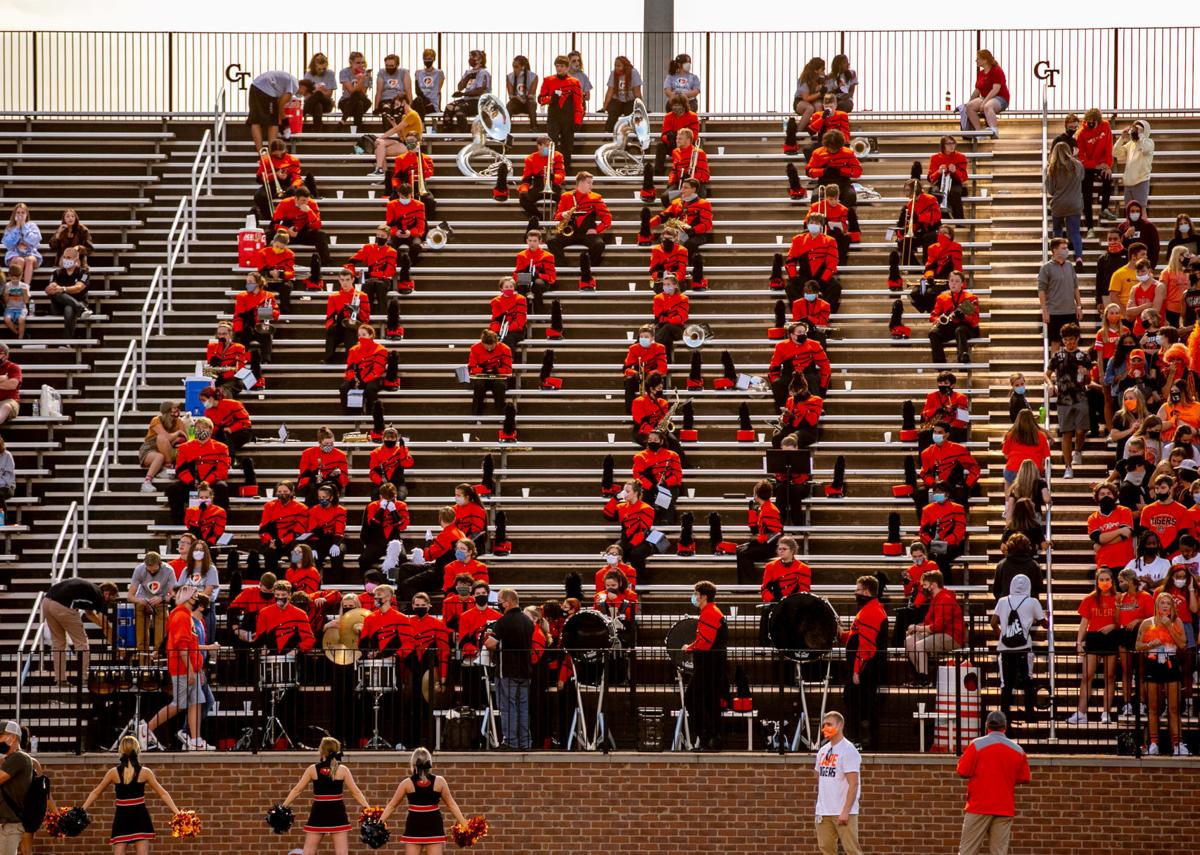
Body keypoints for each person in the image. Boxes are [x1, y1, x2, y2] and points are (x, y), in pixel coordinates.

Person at [144, 586, 217, 751]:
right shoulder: (181, 616)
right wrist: (192, 671)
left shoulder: (185, 615)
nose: (197, 597)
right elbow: (182, 647)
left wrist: (197, 670)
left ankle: (195, 739)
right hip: (183, 668)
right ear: (188, 598)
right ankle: (146, 729)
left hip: (190, 667)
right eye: (195, 595)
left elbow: (189, 646)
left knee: (196, 702)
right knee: (179, 704)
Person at [79, 735, 180, 853]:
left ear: (120, 751)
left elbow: (96, 792)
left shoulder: (113, 773)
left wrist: (81, 810)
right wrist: (178, 813)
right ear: (138, 750)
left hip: (122, 817)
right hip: (140, 817)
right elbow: (163, 793)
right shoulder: (145, 772)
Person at [955, 710, 1031, 855]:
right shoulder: (1018, 750)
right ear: (1005, 727)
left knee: (967, 851)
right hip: (1004, 806)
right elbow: (1024, 778)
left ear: (986, 726)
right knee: (999, 852)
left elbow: (963, 771)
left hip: (979, 806)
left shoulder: (977, 745)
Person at [279, 738, 371, 852]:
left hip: (319, 812)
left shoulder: (312, 769)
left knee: (308, 852)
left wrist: (283, 806)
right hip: (337, 813)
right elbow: (356, 792)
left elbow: (297, 790)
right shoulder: (342, 770)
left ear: (321, 751)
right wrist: (369, 810)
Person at [379, 748, 469, 854]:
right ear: (429, 763)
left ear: (413, 763)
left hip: (415, 824)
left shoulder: (406, 783)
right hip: (433, 824)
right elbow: (451, 804)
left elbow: (392, 806)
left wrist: (379, 823)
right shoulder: (440, 782)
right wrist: (464, 823)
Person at [40, 577, 117, 688]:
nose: (110, 600)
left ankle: (60, 680)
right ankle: (83, 679)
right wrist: (110, 632)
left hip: (47, 602)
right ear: (106, 593)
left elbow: (89, 614)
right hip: (64, 605)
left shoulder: (89, 591)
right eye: (112, 597)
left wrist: (105, 627)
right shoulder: (98, 596)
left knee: (58, 643)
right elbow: (103, 620)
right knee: (82, 643)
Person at [991, 574, 1046, 727]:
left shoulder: (1002, 601)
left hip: (1005, 649)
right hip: (1024, 648)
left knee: (1006, 685)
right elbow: (1044, 624)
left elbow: (993, 622)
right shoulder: (1032, 602)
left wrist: (1002, 635)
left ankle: (1004, 719)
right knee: (1027, 681)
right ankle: (1029, 714)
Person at [483, 588, 535, 750]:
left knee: (508, 707)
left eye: (500, 600)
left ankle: (511, 742)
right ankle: (525, 742)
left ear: (508, 602)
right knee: (523, 708)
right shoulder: (528, 621)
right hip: (525, 671)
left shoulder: (504, 621)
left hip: (507, 671)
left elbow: (490, 643)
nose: (498, 603)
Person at [1137, 592, 1188, 754]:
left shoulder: (1177, 622)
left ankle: (1177, 744)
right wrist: (1149, 645)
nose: (1165, 606)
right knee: (1153, 707)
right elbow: (1137, 645)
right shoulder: (1147, 623)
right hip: (1153, 663)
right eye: (1162, 603)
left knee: (1173, 707)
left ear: (1172, 607)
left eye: (1168, 603)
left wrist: (1169, 627)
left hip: (1170, 662)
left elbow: (1182, 644)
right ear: (1156, 606)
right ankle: (1154, 743)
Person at [1067, 567, 1118, 725]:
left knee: (1109, 677)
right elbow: (1084, 623)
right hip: (1094, 637)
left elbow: (1123, 620)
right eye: (1101, 580)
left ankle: (1106, 713)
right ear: (1097, 581)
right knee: (1087, 676)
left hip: (1111, 638)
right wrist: (1079, 642)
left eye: (1107, 579)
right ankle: (1081, 712)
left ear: (1112, 581)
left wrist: (1113, 626)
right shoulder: (1090, 598)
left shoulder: (1119, 598)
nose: (1104, 583)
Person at [842, 575, 887, 749]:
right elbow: (857, 636)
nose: (855, 593)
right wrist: (842, 634)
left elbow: (867, 646)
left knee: (859, 704)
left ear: (867, 591)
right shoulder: (870, 609)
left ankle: (859, 741)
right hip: (865, 666)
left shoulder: (870, 611)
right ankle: (860, 740)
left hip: (865, 668)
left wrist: (856, 671)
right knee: (860, 703)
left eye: (858, 590)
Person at [683, 581, 726, 750]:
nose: (694, 597)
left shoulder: (709, 613)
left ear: (703, 596)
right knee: (708, 701)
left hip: (708, 664)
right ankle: (711, 738)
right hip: (712, 664)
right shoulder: (711, 612)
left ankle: (707, 735)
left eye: (695, 594)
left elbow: (705, 643)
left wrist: (689, 648)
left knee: (691, 698)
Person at [813, 711, 862, 855]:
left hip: (843, 812)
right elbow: (818, 774)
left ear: (840, 725)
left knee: (852, 850)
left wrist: (845, 811)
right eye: (824, 725)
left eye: (829, 724)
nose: (825, 728)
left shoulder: (848, 750)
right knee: (826, 850)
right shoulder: (822, 750)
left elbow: (853, 784)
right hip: (823, 812)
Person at [904, 569, 964, 685]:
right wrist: (916, 629)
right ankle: (920, 676)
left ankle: (924, 678)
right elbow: (929, 623)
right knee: (909, 641)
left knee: (920, 645)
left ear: (934, 585)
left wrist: (918, 628)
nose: (923, 588)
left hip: (952, 636)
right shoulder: (935, 599)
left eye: (925, 585)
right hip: (941, 634)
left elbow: (938, 626)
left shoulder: (945, 599)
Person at [166, 417, 229, 525]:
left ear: (210, 430)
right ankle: (179, 522)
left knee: (222, 487)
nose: (200, 430)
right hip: (191, 483)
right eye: (198, 427)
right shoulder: (184, 447)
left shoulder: (222, 447)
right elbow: (180, 469)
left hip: (211, 484)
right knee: (173, 489)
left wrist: (207, 482)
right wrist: (191, 481)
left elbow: (222, 470)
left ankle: (220, 521)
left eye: (204, 427)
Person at [548, 171, 611, 266]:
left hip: (587, 234)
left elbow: (607, 218)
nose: (591, 186)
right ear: (580, 182)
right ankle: (563, 267)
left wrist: (597, 230)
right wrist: (563, 214)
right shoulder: (566, 196)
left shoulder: (595, 197)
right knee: (551, 241)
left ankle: (588, 267)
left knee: (599, 244)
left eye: (591, 183)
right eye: (589, 183)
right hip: (569, 232)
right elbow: (557, 217)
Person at [254, 139, 318, 224]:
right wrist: (275, 175)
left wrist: (293, 186)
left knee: (294, 194)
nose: (279, 155)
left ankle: (291, 219)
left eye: (281, 152)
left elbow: (297, 177)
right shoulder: (266, 160)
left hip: (288, 185)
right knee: (259, 195)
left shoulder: (293, 160)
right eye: (276, 154)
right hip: (272, 185)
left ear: (285, 150)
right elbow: (259, 179)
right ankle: (269, 218)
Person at [538, 56, 583, 172]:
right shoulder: (548, 80)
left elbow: (578, 104)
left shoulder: (574, 82)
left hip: (568, 118)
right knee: (551, 143)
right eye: (557, 66)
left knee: (567, 146)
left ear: (567, 67)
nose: (559, 68)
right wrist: (551, 99)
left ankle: (565, 170)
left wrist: (577, 121)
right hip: (553, 117)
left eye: (562, 66)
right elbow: (540, 99)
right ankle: (550, 169)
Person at [1038, 240, 1083, 353]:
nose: (1066, 250)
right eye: (1063, 248)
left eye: (1066, 248)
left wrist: (1079, 306)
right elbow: (1041, 290)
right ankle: (1057, 369)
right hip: (1054, 312)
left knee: (1074, 341)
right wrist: (1044, 311)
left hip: (1071, 311)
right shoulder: (1046, 268)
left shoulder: (1069, 266)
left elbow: (1075, 287)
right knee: (1055, 343)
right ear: (1054, 250)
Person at [1045, 141, 1085, 268]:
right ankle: (1078, 257)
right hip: (1075, 203)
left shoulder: (1051, 168)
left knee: (1057, 231)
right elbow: (1082, 178)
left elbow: (1050, 190)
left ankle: (1058, 257)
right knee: (1075, 232)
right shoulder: (1077, 165)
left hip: (1058, 204)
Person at [736, 479, 784, 584]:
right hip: (766, 544)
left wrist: (759, 539)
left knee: (744, 554)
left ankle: (750, 583)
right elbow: (755, 530)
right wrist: (752, 513)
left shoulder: (769, 509)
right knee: (740, 549)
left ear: (756, 495)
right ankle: (744, 584)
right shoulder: (764, 508)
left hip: (771, 547)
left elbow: (777, 533)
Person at [1076, 109, 1115, 235]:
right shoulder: (1081, 134)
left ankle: (1104, 208)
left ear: (1098, 121)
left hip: (1102, 163)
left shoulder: (1106, 126)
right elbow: (1081, 158)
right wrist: (1096, 166)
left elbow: (1109, 148)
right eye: (1088, 122)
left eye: (1093, 122)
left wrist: (1108, 166)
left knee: (1108, 177)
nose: (1090, 125)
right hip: (1088, 166)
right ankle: (1090, 228)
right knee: (1087, 193)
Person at [928, 270, 981, 365]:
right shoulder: (941, 297)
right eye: (951, 281)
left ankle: (963, 357)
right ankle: (940, 364)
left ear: (962, 284)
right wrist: (938, 320)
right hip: (950, 326)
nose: (954, 283)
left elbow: (975, 320)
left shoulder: (971, 298)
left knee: (960, 330)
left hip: (967, 328)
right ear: (948, 283)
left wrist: (964, 317)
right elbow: (933, 316)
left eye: (957, 281)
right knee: (933, 333)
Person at [247, 70, 307, 152]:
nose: (302, 96)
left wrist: (282, 121)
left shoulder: (285, 82)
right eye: (304, 94)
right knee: (273, 122)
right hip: (266, 88)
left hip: (255, 86)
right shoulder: (295, 85)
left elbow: (278, 103)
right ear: (304, 87)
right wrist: (285, 122)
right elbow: (280, 106)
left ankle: (261, 153)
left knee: (255, 121)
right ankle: (272, 153)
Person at [128, 552, 175, 655]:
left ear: (160, 564)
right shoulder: (139, 569)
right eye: (149, 570)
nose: (152, 572)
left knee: (161, 639)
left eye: (154, 570)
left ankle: (159, 666)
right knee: (141, 639)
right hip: (143, 601)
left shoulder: (168, 570)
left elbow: (173, 593)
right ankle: (143, 666)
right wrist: (140, 600)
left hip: (161, 602)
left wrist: (162, 598)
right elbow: (130, 596)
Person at [358, 483, 409, 576]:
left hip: (394, 540)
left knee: (402, 559)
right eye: (386, 499)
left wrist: (394, 511)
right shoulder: (373, 505)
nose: (389, 501)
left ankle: (394, 581)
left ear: (395, 496)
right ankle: (370, 582)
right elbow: (371, 525)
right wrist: (381, 509)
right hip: (376, 541)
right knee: (363, 560)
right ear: (380, 496)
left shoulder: (401, 505)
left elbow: (403, 526)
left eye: (392, 499)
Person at [271, 186, 330, 266]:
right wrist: (287, 230)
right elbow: (274, 224)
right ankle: (270, 263)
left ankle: (326, 265)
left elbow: (317, 226)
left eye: (307, 200)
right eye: (302, 201)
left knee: (321, 235)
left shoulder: (312, 204)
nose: (305, 203)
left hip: (303, 233)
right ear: (296, 199)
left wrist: (309, 212)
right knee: (269, 235)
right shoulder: (285, 203)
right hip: (286, 234)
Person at [44, 245, 92, 339]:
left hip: (78, 301)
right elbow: (49, 289)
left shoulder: (84, 273)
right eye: (64, 257)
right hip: (58, 306)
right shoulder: (56, 273)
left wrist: (63, 289)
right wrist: (51, 288)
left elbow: (79, 287)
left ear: (76, 259)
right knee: (56, 292)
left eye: (69, 258)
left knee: (69, 307)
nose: (66, 260)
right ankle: (81, 309)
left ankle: (67, 341)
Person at [323, 268, 370, 364]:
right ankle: (328, 357)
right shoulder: (333, 297)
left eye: (348, 280)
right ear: (339, 280)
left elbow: (366, 318)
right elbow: (329, 317)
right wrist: (330, 326)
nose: (345, 283)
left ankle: (350, 360)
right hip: (341, 325)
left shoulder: (362, 295)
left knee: (350, 331)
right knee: (331, 331)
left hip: (355, 327)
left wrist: (357, 310)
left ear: (353, 280)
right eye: (342, 280)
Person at [960, 50, 1008, 137]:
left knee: (987, 106)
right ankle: (979, 132)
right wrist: (967, 103)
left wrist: (984, 102)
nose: (976, 61)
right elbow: (977, 90)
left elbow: (995, 89)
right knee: (969, 107)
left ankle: (994, 131)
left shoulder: (997, 70)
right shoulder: (981, 73)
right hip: (986, 97)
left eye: (978, 59)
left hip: (1000, 98)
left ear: (985, 60)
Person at [441, 50, 491, 133]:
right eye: (470, 57)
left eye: (473, 57)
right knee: (449, 107)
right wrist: (467, 77)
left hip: (478, 101)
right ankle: (447, 132)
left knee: (458, 108)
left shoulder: (483, 73)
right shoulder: (468, 72)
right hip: (466, 100)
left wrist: (464, 94)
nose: (470, 59)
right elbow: (460, 87)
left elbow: (479, 91)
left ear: (480, 60)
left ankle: (464, 134)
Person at [341, 323, 387, 414]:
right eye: (359, 335)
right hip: (357, 378)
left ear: (371, 335)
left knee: (370, 388)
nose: (361, 337)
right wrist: (354, 379)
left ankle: (372, 414)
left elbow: (378, 370)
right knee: (344, 387)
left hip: (373, 378)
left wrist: (364, 381)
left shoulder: (381, 349)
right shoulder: (354, 349)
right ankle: (349, 413)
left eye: (364, 335)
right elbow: (349, 368)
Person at [296, 427, 349, 504]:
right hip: (313, 483)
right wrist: (314, 478)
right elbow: (303, 476)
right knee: (314, 489)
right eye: (326, 443)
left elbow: (344, 480)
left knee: (328, 489)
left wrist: (338, 474)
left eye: (331, 443)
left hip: (331, 482)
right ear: (320, 442)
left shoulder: (341, 455)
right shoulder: (307, 453)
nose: (329, 446)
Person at [467, 329, 512, 415]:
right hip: (482, 376)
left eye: (492, 345)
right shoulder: (475, 348)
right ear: (482, 343)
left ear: (496, 342)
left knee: (500, 386)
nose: (489, 348)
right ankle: (475, 415)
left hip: (498, 377)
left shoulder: (505, 349)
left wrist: (496, 370)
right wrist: (482, 370)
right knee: (479, 386)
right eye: (487, 345)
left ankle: (501, 415)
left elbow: (508, 370)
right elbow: (471, 368)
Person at [512, 229, 556, 316]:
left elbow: (552, 278)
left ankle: (540, 313)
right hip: (526, 278)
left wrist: (538, 275)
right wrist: (525, 276)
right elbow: (516, 274)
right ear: (527, 241)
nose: (532, 243)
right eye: (530, 241)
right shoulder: (521, 255)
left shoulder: (548, 256)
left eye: (535, 241)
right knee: (522, 286)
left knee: (536, 285)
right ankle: (523, 314)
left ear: (540, 241)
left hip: (540, 280)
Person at [655, 95, 701, 176]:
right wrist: (670, 139)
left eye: (679, 105)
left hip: (687, 145)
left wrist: (682, 139)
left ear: (684, 105)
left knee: (695, 148)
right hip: (672, 144)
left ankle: (691, 172)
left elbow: (694, 135)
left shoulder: (693, 116)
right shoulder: (668, 117)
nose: (676, 107)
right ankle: (658, 172)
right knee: (660, 145)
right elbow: (663, 135)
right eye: (674, 105)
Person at [1115, 120, 1155, 209]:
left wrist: (1141, 134)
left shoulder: (1149, 142)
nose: (1135, 131)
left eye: (1138, 129)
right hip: (1128, 183)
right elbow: (1115, 153)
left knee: (1142, 212)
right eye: (1135, 128)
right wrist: (1121, 138)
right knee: (1129, 212)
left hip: (1141, 181)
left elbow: (1145, 149)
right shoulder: (1131, 144)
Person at [929, 136, 968, 220]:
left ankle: (959, 221)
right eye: (948, 144)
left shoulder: (961, 157)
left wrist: (955, 171)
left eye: (953, 143)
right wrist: (938, 171)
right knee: (933, 193)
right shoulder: (935, 158)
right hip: (941, 182)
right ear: (943, 145)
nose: (951, 146)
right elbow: (931, 178)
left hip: (955, 182)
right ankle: (944, 219)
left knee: (954, 192)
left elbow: (964, 177)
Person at [369, 428, 414, 500]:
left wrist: (402, 449)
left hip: (398, 483)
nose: (389, 439)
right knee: (375, 497)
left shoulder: (402, 450)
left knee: (400, 498)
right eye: (387, 437)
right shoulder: (375, 452)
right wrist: (381, 482)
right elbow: (372, 472)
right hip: (381, 482)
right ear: (383, 438)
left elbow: (408, 464)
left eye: (392, 437)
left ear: (396, 439)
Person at [602, 56, 642, 132]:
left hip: (630, 100)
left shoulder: (633, 73)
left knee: (630, 114)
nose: (616, 68)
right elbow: (610, 92)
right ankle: (608, 133)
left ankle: (633, 133)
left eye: (619, 66)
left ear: (625, 66)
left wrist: (640, 107)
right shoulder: (613, 73)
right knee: (613, 112)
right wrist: (604, 107)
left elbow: (637, 93)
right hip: (617, 100)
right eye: (615, 66)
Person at [489, 277, 528, 350]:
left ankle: (509, 360)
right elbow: (495, 320)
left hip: (517, 329)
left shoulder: (521, 299)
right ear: (501, 288)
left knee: (508, 339)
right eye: (506, 287)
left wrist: (507, 330)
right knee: (492, 339)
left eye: (511, 287)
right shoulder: (496, 301)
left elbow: (521, 319)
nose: (509, 289)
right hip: (501, 328)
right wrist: (497, 332)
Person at [1119, 200, 1160, 268]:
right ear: (1128, 212)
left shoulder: (1149, 226)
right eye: (1132, 211)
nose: (1135, 213)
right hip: (1127, 266)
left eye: (1137, 211)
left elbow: (1155, 248)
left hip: (1144, 267)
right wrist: (1125, 236)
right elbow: (1119, 246)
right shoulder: (1122, 227)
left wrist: (1152, 267)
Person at [337, 52, 373, 127]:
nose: (361, 65)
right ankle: (358, 130)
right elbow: (351, 91)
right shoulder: (344, 72)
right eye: (358, 63)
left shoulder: (366, 73)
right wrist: (361, 80)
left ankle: (343, 120)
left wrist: (362, 79)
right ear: (351, 62)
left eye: (362, 62)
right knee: (359, 103)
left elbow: (362, 93)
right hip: (346, 101)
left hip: (363, 101)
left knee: (358, 97)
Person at [301, 53, 336, 129]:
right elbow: (306, 95)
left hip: (326, 104)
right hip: (312, 105)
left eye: (324, 68)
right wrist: (318, 91)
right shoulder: (308, 75)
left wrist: (318, 91)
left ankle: (302, 114)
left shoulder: (330, 74)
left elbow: (329, 95)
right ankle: (318, 132)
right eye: (319, 69)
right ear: (314, 66)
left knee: (318, 94)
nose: (322, 71)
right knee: (317, 105)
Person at [505, 55, 539, 129]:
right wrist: (517, 98)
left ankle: (533, 128)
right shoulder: (509, 77)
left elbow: (531, 95)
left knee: (532, 103)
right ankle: (505, 129)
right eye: (513, 67)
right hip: (516, 103)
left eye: (516, 67)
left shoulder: (533, 76)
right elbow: (510, 95)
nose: (514, 69)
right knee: (509, 105)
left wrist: (524, 99)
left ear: (523, 67)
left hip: (528, 103)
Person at [792, 57, 825, 132]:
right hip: (800, 101)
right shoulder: (804, 79)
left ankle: (816, 132)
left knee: (818, 106)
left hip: (814, 100)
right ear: (816, 70)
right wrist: (820, 93)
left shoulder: (821, 78)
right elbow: (806, 98)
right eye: (822, 69)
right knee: (810, 108)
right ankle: (798, 132)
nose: (824, 71)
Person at [413, 49, 445, 119]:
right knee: (417, 101)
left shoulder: (439, 73)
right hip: (421, 102)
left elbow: (438, 92)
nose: (427, 61)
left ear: (434, 59)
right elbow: (417, 91)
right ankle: (421, 126)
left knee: (418, 102)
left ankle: (421, 126)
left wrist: (438, 106)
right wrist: (426, 100)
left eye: (429, 58)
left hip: (432, 105)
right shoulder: (418, 72)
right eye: (425, 59)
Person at [1, 264, 29, 340]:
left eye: (17, 277)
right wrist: (6, 294)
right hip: (10, 309)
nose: (15, 280)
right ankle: (17, 332)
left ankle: (21, 337)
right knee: (7, 319)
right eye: (12, 278)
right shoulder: (7, 285)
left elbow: (26, 301)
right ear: (9, 276)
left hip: (21, 308)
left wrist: (25, 293)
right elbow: (6, 302)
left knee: (21, 320)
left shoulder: (24, 286)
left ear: (21, 276)